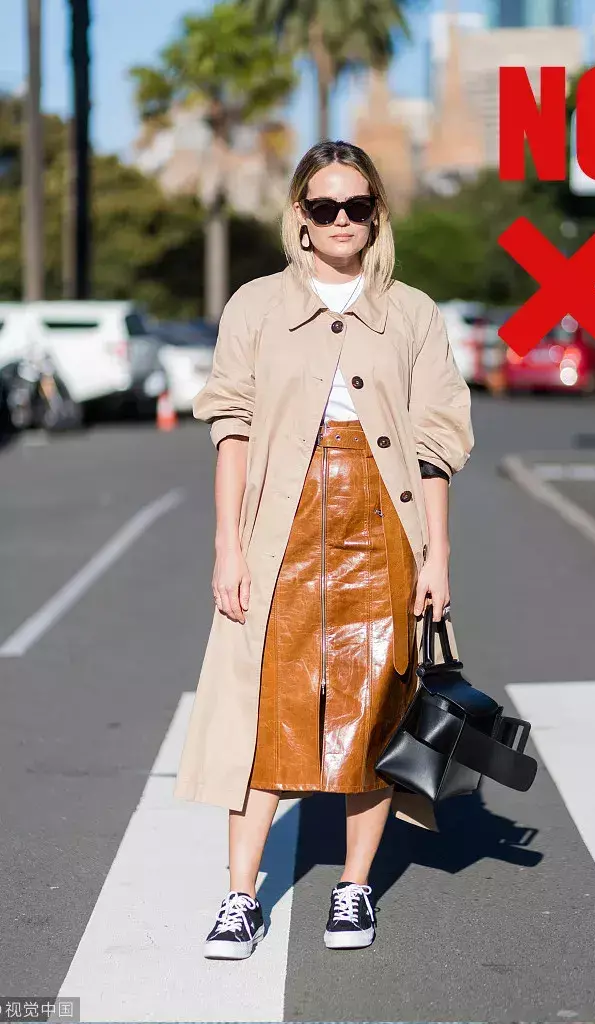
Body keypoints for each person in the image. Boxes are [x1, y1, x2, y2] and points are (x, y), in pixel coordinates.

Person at [173, 140, 474, 959]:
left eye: (356, 206)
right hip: (282, 527)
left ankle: (353, 886)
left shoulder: (411, 312)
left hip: (383, 527)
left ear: (376, 214)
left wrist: (437, 556)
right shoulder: (255, 306)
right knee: (265, 708)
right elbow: (231, 428)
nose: (341, 220)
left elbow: (435, 443)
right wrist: (227, 546)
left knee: (370, 711)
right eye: (323, 206)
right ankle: (240, 899)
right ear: (299, 217)